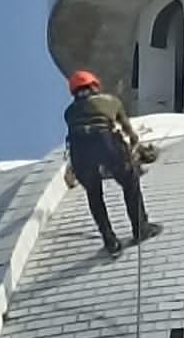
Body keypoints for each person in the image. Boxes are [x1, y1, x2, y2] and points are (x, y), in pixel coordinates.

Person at [64, 70, 161, 256]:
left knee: (94, 194)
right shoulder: (111, 102)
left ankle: (110, 242)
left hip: (80, 153)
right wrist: (135, 146)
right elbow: (128, 130)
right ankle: (141, 229)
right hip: (106, 144)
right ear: (95, 86)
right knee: (130, 182)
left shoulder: (69, 113)